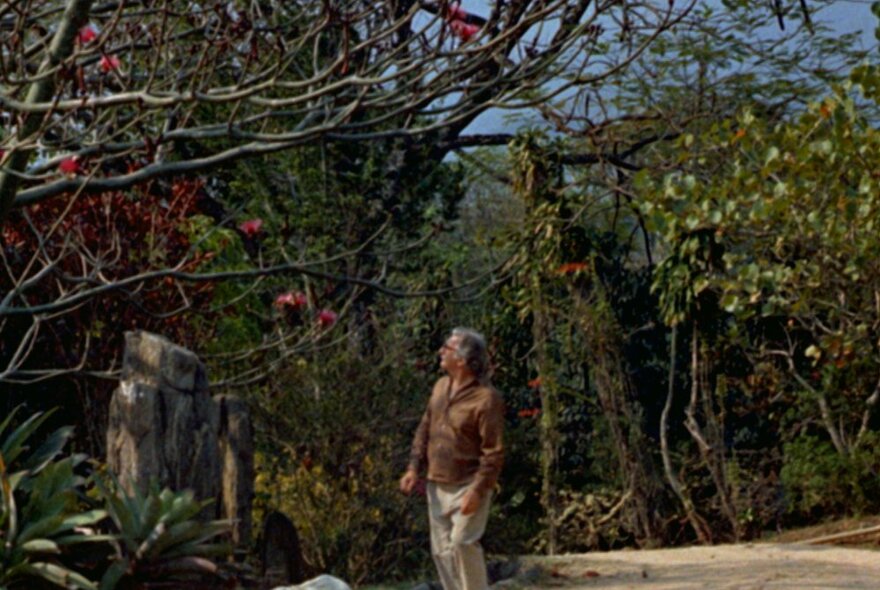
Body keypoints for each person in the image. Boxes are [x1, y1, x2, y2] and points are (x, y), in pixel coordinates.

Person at [400, 327, 505, 590]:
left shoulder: (486, 399)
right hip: (437, 484)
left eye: (446, 348)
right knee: (443, 552)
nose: (440, 352)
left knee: (462, 543)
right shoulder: (439, 387)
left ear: (462, 359)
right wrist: (413, 468)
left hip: (468, 484)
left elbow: (493, 452)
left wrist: (478, 491)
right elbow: (425, 427)